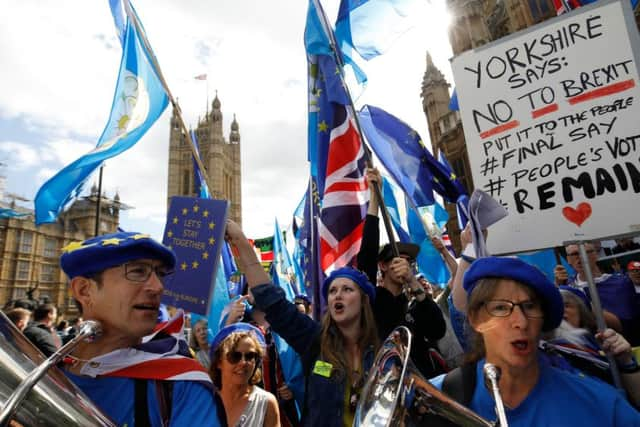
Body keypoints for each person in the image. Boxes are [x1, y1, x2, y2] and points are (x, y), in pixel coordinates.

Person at [431, 256, 640, 426]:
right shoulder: (434, 399)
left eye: (530, 306)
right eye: (501, 308)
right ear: (476, 319)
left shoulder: (602, 406)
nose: (520, 322)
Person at [59, 231, 224, 426]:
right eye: (137, 271)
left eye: (161, 275)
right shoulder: (46, 370)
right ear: (84, 290)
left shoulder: (182, 385)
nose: (158, 287)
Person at [225, 219, 379, 427]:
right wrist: (239, 240)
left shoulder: (383, 352)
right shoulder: (315, 340)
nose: (337, 296)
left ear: (363, 301)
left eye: (347, 290)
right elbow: (272, 302)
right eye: (332, 291)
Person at [357, 168, 446, 378]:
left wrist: (414, 284)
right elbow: (367, 256)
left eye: (408, 262)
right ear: (383, 266)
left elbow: (438, 330)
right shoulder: (372, 299)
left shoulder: (416, 303)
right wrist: (374, 201)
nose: (404, 265)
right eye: (397, 260)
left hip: (425, 386)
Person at [555, 242, 639, 344]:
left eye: (585, 252)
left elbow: (624, 325)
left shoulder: (620, 283)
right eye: (574, 254)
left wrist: (583, 303)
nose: (581, 257)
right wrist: (558, 289)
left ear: (595, 255)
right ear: (568, 259)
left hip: (619, 346)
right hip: (587, 349)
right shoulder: (568, 286)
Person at [210, 323, 280, 427]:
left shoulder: (266, 403)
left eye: (250, 356)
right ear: (219, 362)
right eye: (235, 356)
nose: (243, 363)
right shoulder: (206, 402)